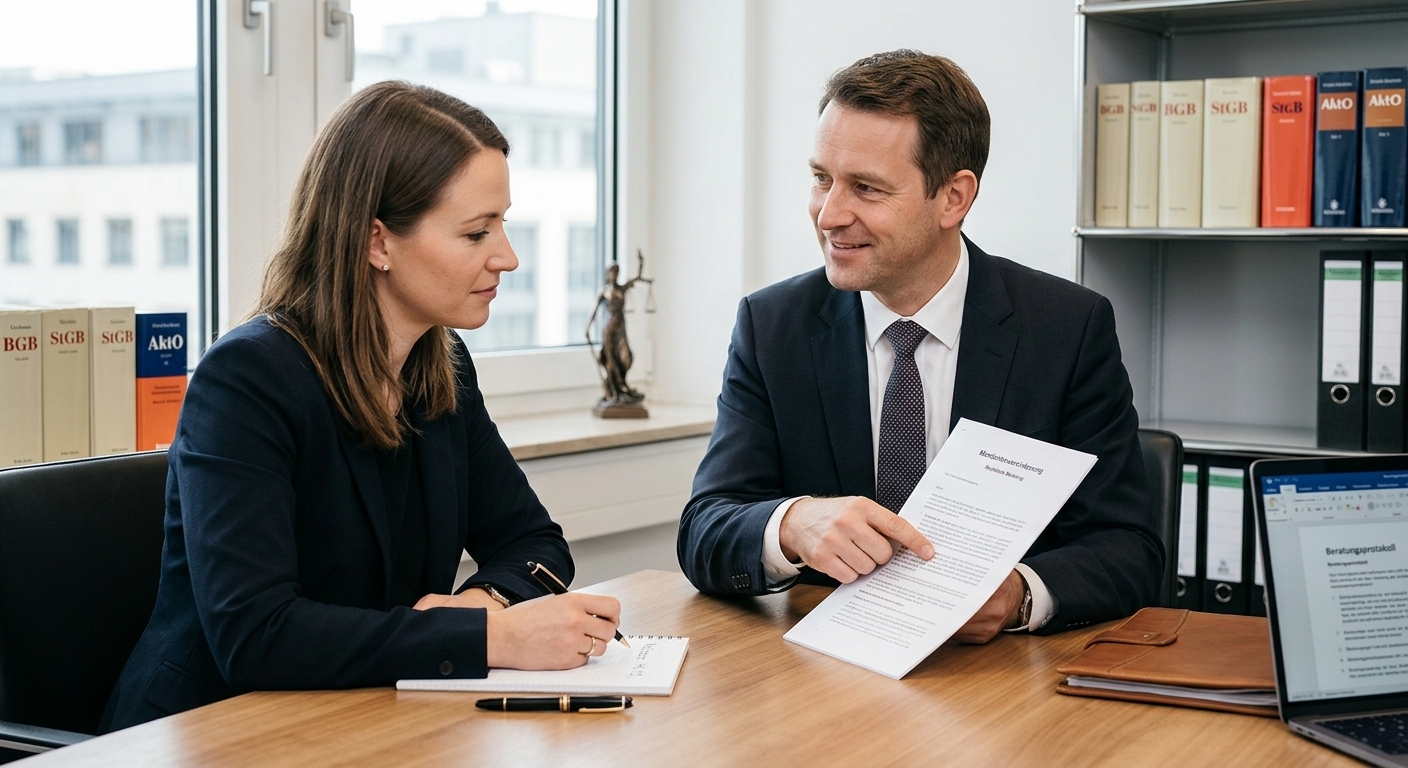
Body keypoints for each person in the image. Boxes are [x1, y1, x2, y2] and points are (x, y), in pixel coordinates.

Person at [101, 82, 620, 731]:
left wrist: (484, 604)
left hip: (359, 716)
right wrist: (492, 638)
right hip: (206, 732)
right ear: (377, 242)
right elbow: (257, 635)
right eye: (475, 232)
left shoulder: (442, 367)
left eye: (502, 224)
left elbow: (533, 542)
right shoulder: (246, 379)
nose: (507, 257)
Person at [676, 50, 1161, 641]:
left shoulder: (1066, 328)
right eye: (822, 179)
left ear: (953, 197)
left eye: (866, 188)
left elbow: (1129, 548)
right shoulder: (773, 325)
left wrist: (1019, 595)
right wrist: (793, 524)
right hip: (826, 665)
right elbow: (705, 529)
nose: (829, 215)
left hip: (1000, 675)